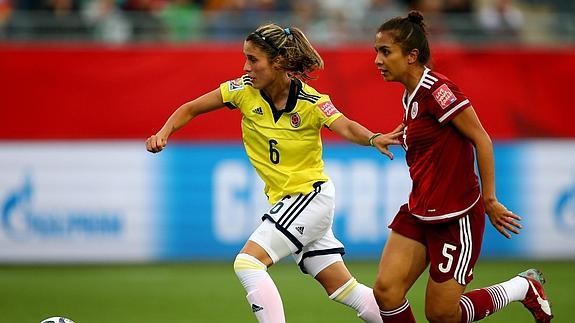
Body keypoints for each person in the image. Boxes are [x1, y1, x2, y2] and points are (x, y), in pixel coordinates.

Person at [146, 23, 404, 323]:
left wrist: (373, 138)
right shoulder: (242, 90)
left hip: (309, 196)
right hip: (293, 202)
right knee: (343, 289)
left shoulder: (312, 102)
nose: (246, 67)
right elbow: (191, 108)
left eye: (253, 59)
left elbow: (344, 124)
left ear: (278, 62)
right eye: (245, 58)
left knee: (247, 263)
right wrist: (164, 132)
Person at [370, 11, 553, 323]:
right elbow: (431, 137)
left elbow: (481, 139)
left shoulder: (438, 90)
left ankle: (523, 286)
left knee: (441, 315)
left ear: (412, 56)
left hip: (455, 215)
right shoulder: (411, 96)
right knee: (386, 291)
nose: (377, 60)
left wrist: (490, 200)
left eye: (385, 52)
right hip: (420, 209)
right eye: (377, 51)